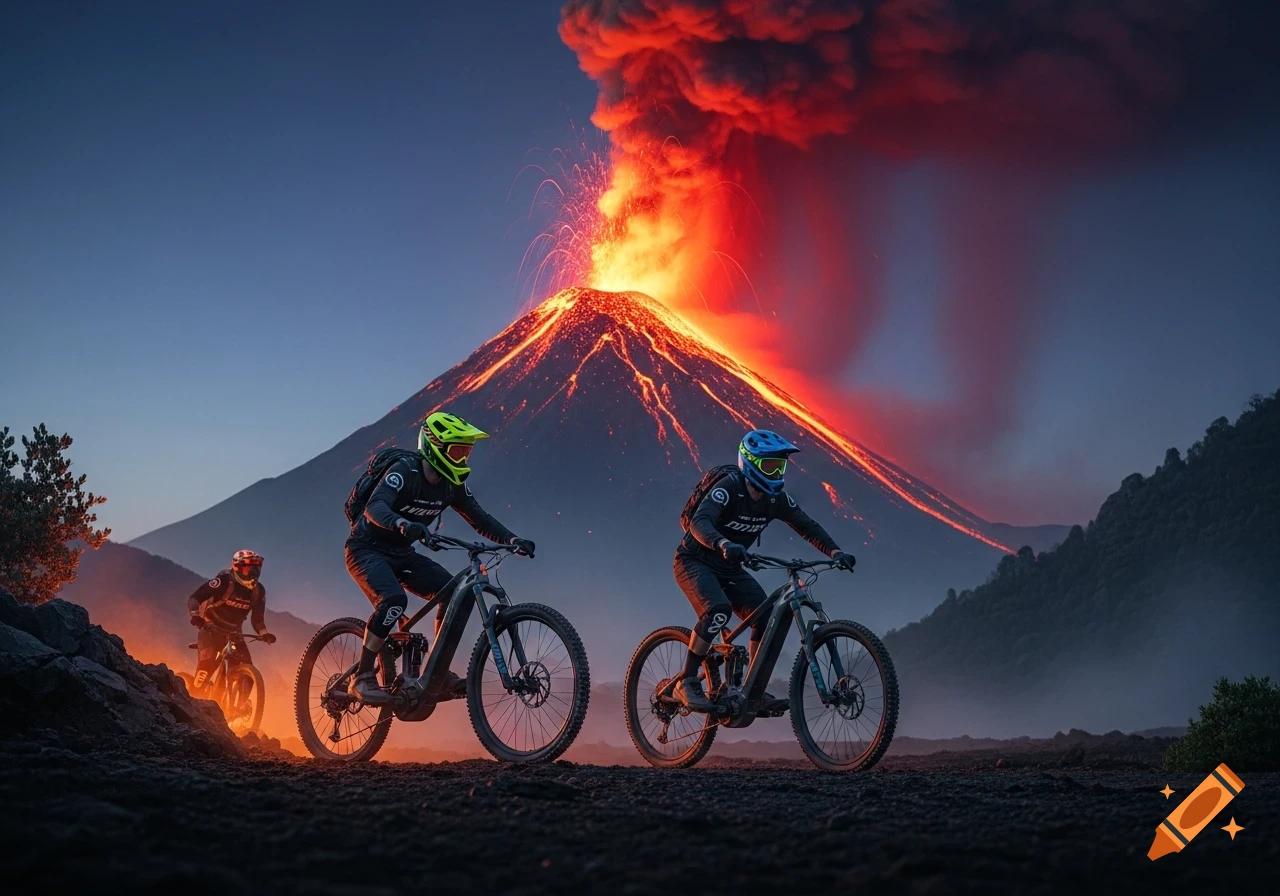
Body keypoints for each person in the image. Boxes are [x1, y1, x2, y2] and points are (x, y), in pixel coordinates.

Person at [346, 411, 535, 703]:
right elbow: (375, 507)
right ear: (435, 446)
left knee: (453, 593)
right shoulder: (404, 470)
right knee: (394, 600)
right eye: (458, 451)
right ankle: (363, 676)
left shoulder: (451, 485)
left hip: (402, 553)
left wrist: (512, 539)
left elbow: (480, 519)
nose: (462, 459)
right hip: (366, 549)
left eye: (466, 453)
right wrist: (402, 524)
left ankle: (437, 671)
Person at [672, 430, 855, 713]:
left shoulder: (775, 500)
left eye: (780, 466)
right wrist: (722, 542)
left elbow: (807, 525)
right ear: (750, 463)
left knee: (764, 617)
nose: (777, 472)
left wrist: (835, 552)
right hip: (694, 561)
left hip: (730, 567)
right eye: (770, 465)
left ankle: (751, 691)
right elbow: (700, 521)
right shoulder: (728, 487)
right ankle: (686, 681)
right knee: (717, 610)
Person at [186, 549, 275, 693]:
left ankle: (235, 709)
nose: (254, 572)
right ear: (238, 568)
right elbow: (195, 598)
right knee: (206, 669)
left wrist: (264, 633)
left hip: (234, 633)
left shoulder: (259, 591)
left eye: (256, 568)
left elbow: (258, 619)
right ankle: (191, 698)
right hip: (210, 628)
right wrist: (195, 615)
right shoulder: (223, 582)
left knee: (248, 675)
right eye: (249, 567)